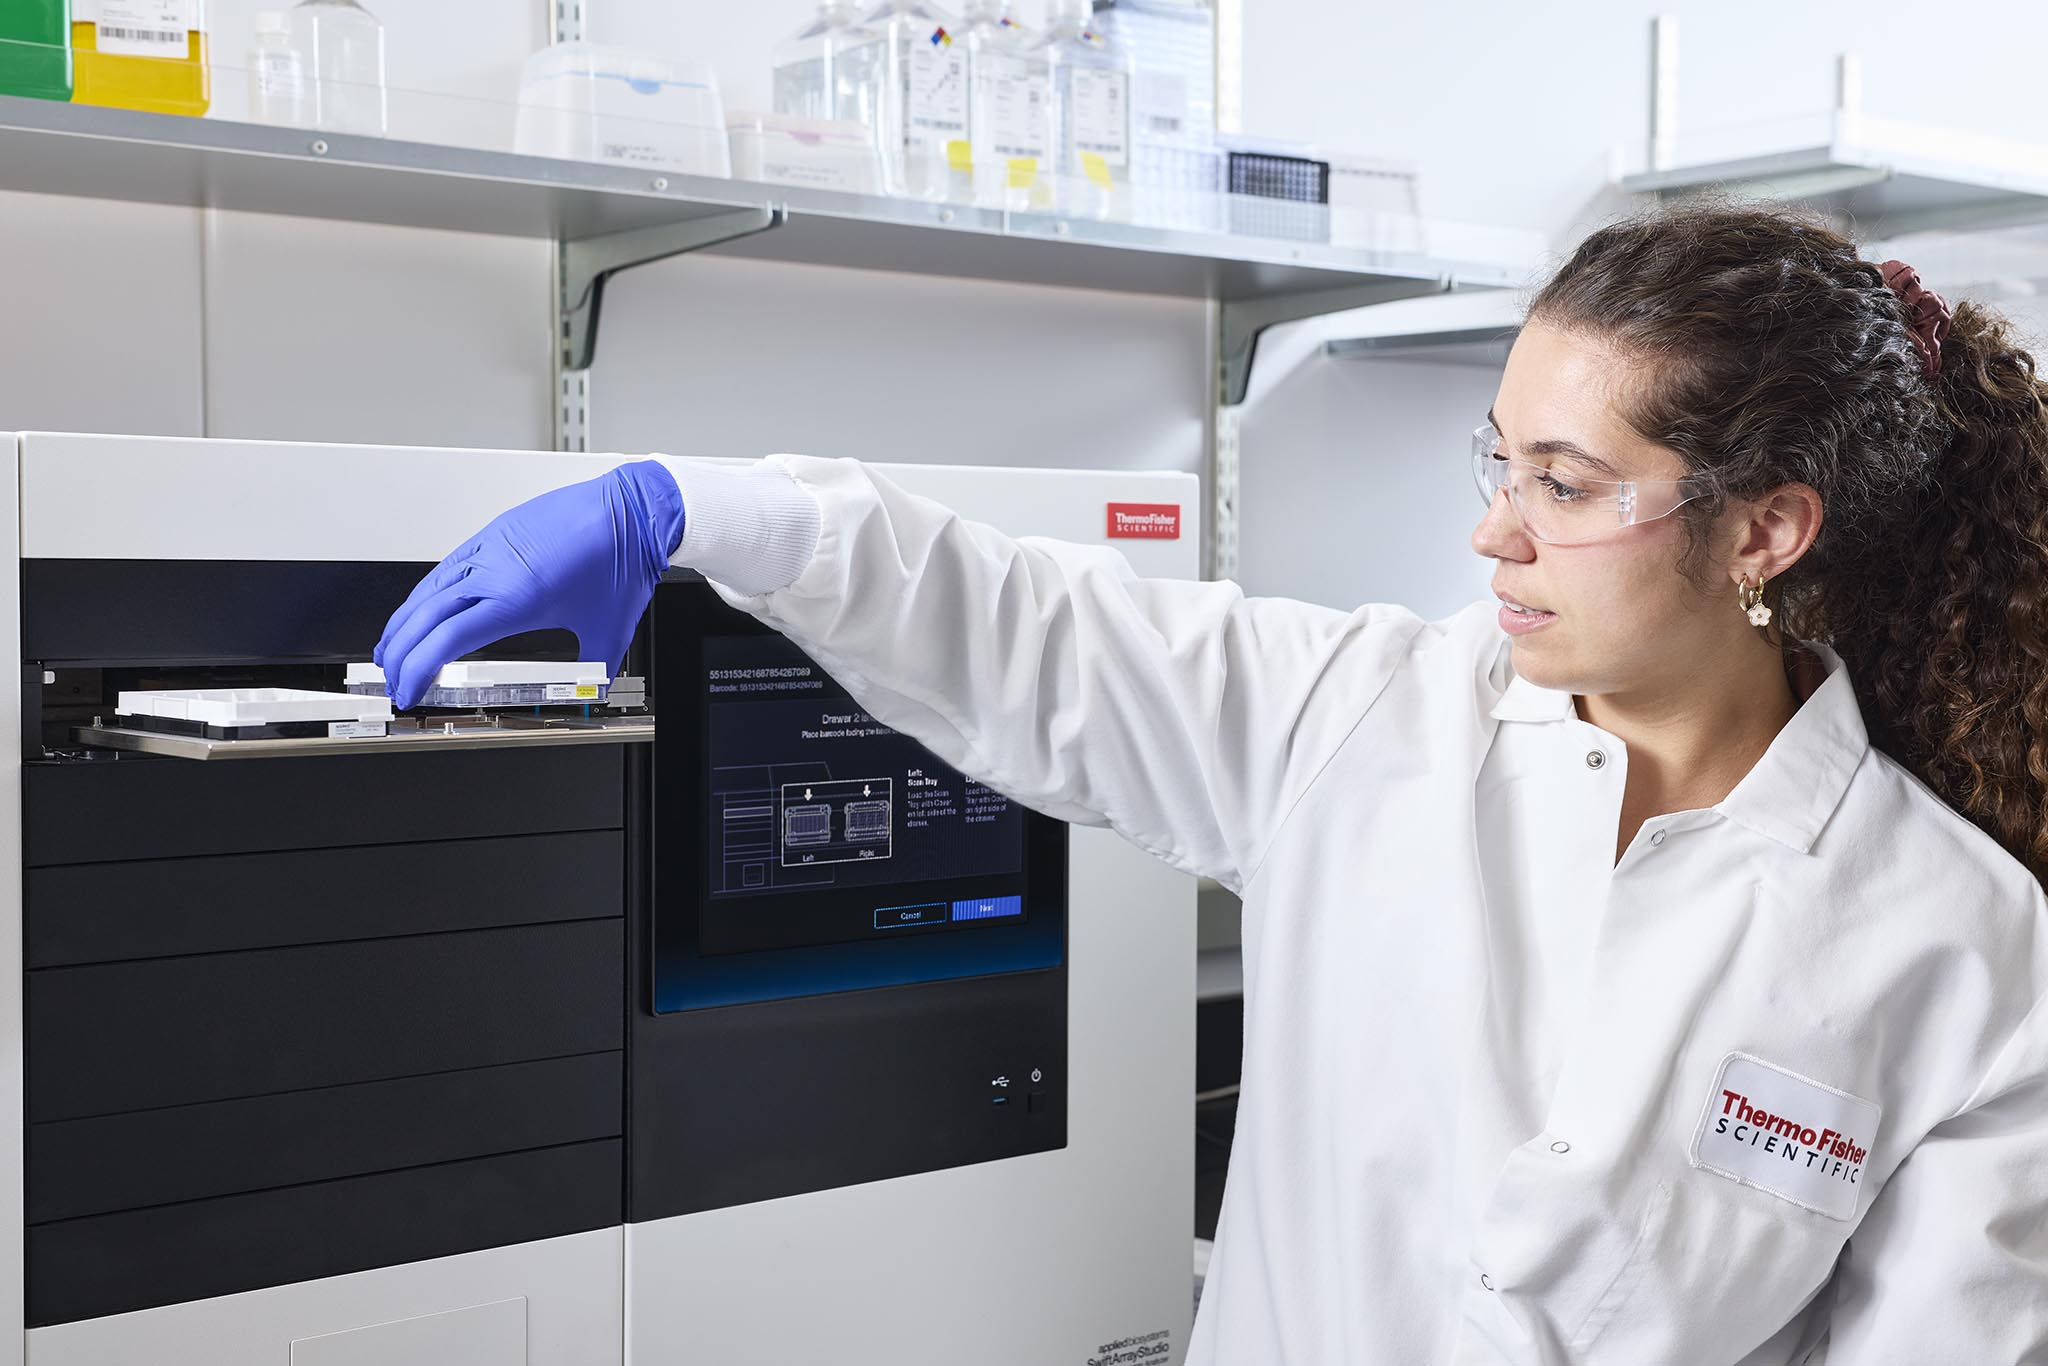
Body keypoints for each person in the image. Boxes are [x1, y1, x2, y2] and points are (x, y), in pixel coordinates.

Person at [376, 205, 2048, 1363]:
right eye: (1500, 457)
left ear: (1765, 529)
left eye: (1566, 481)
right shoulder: (1365, 720)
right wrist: (692, 508)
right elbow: (1027, 628)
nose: (1495, 530)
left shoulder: (1964, 949)